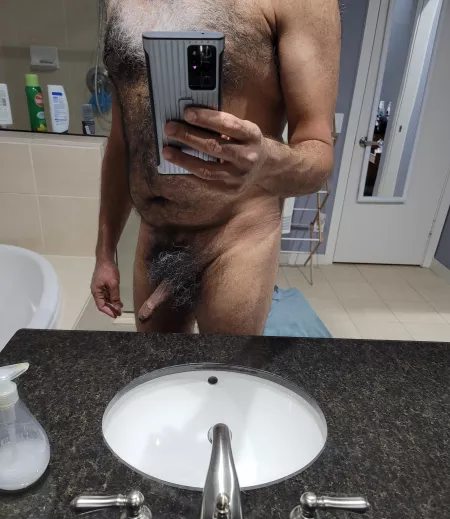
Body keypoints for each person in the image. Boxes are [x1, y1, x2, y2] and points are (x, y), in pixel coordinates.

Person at [91, 0, 341, 334]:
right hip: (154, 236)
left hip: (236, 238)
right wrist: (104, 253)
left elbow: (319, 153)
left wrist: (265, 160)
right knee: (158, 366)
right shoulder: (118, 4)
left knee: (228, 368)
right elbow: (122, 143)